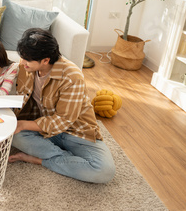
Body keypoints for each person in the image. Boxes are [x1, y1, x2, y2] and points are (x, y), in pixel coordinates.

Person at [8, 28, 115, 183]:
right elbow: (22, 100)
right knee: (14, 135)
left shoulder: (72, 76)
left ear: (45, 60)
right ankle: (66, 161)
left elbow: (63, 120)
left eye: (27, 60)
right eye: (22, 57)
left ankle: (40, 159)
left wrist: (24, 124)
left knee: (104, 171)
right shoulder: (28, 66)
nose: (22, 63)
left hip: (76, 133)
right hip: (45, 129)